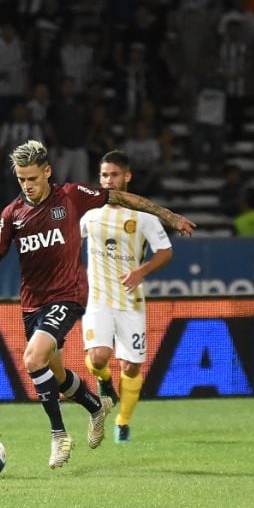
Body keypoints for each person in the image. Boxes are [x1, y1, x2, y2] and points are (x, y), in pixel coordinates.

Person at [0, 140, 195, 469]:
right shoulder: (13, 214)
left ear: (47, 172)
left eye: (32, 178)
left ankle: (59, 435)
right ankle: (96, 407)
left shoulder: (72, 196)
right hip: (33, 302)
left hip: (70, 294)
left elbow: (120, 197)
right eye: (21, 180)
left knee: (33, 359)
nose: (27, 186)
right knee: (57, 374)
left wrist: (167, 215)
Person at [80, 152, 174, 445]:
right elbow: (68, 242)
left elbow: (165, 252)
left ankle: (123, 421)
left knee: (132, 367)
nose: (109, 180)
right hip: (97, 299)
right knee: (98, 357)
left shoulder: (144, 217)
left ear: (127, 176)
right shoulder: (89, 213)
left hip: (131, 302)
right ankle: (105, 383)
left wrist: (141, 272)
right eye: (104, 175)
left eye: (115, 175)